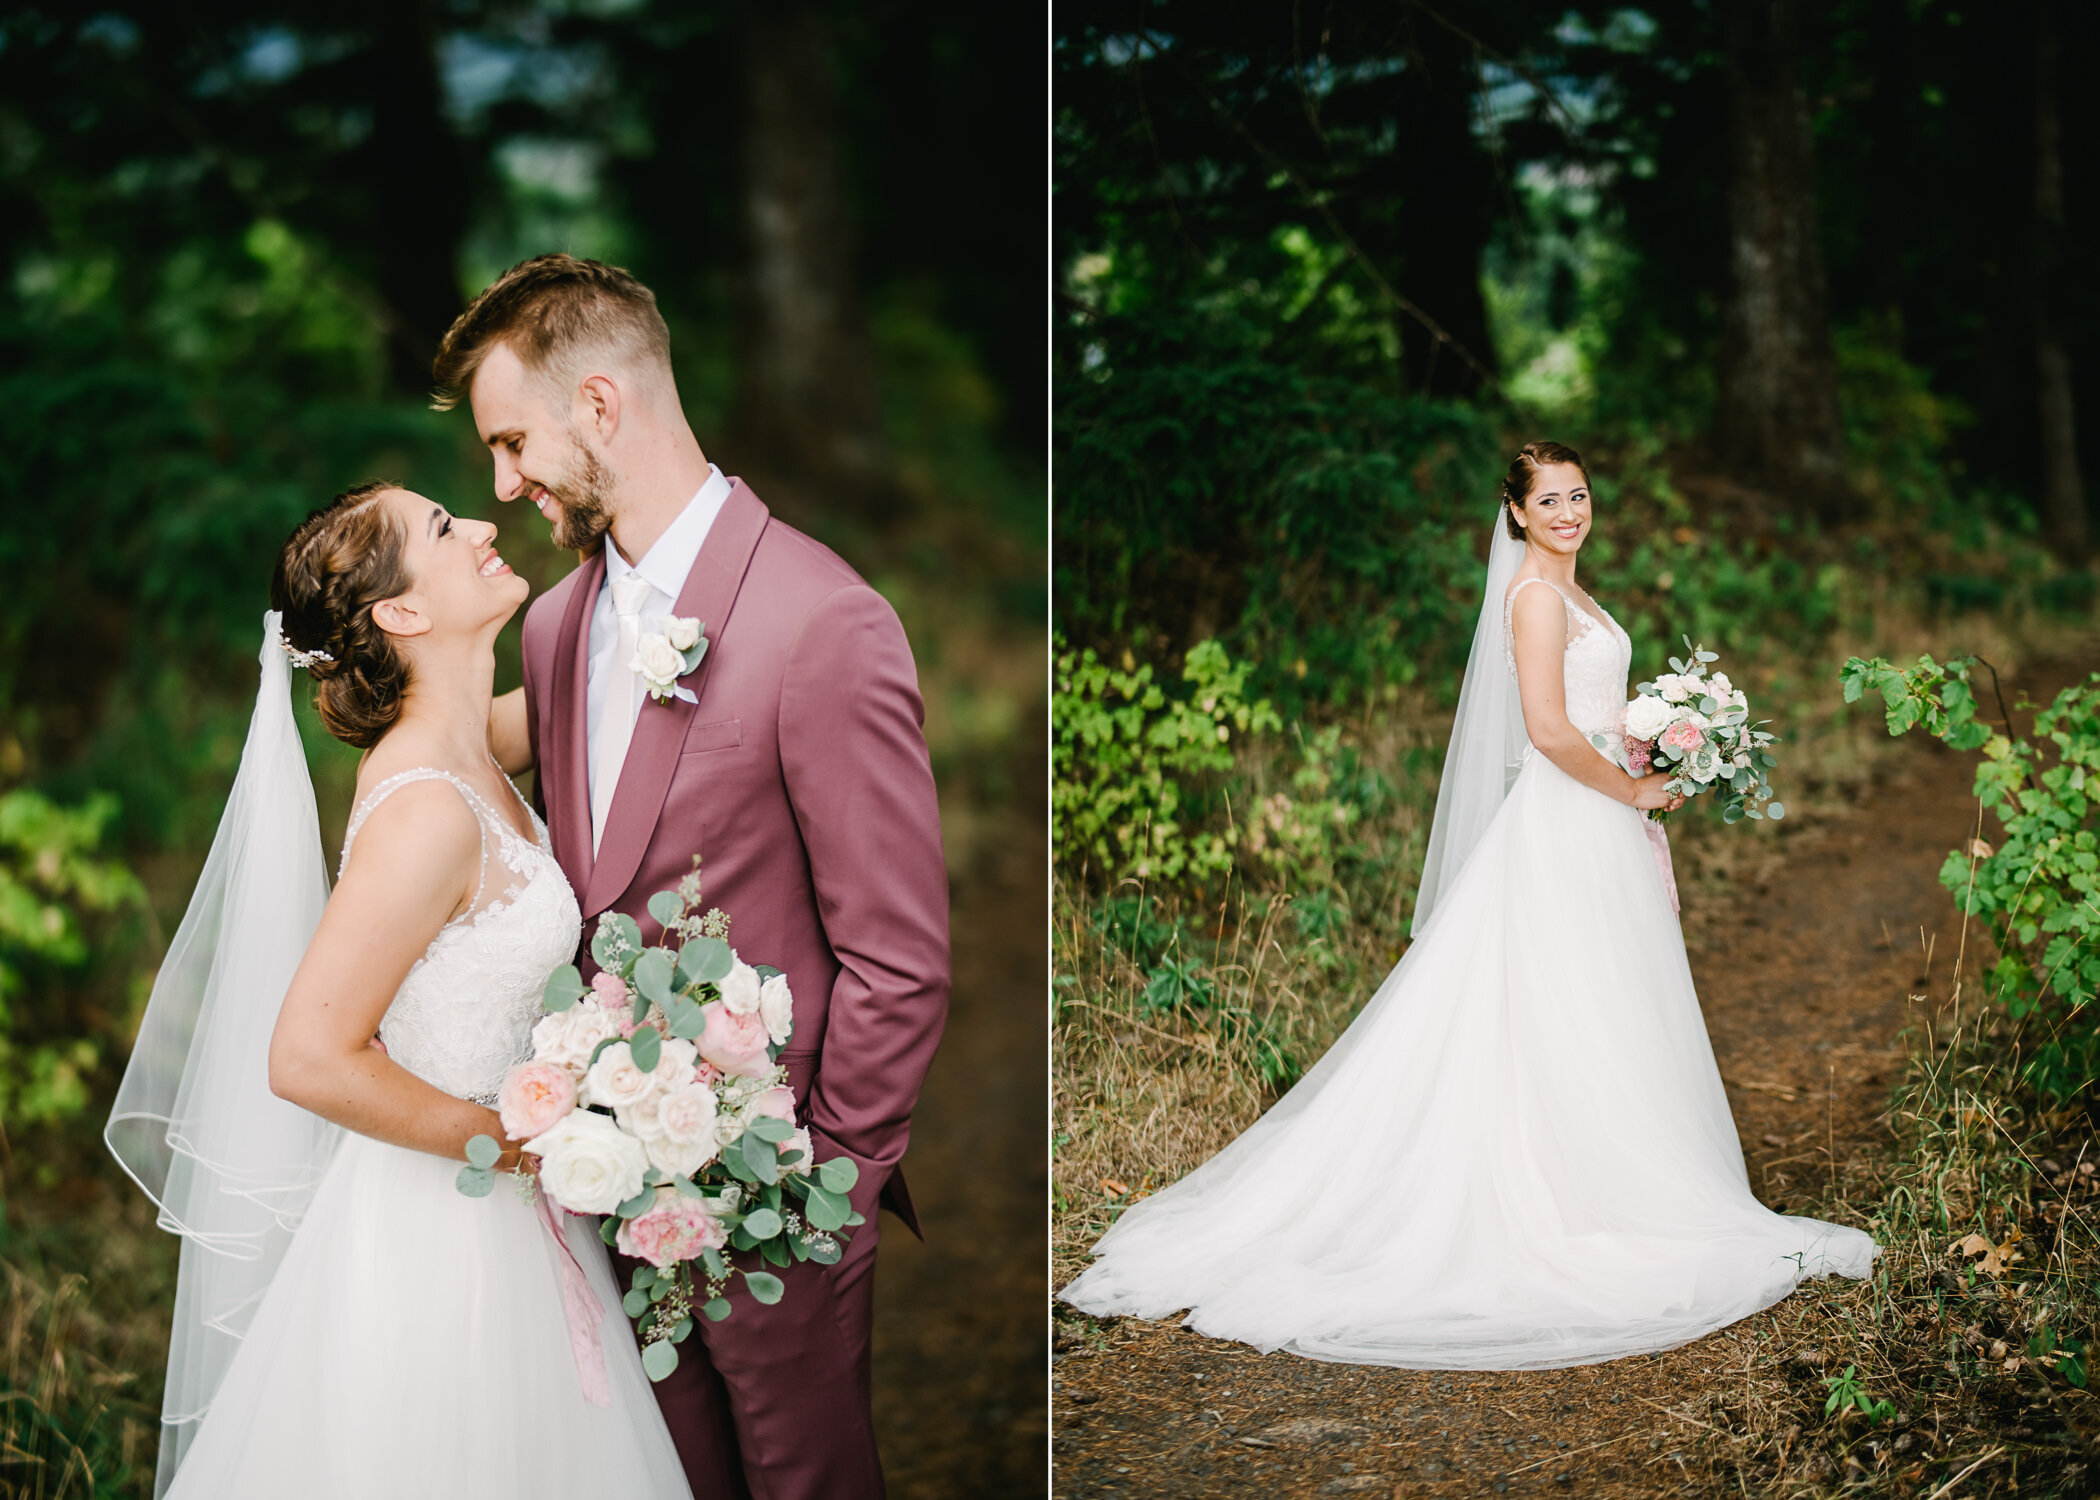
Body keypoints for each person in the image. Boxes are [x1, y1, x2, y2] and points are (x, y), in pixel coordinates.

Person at [1059, 441, 1876, 1368]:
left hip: (1597, 819)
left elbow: (1593, 715)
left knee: (1603, 1006)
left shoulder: (1577, 597)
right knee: (1554, 1000)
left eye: (1580, 496)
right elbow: (1546, 730)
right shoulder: (1532, 599)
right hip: (1566, 824)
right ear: (1517, 514)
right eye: (1550, 501)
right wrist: (1633, 788)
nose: (1569, 512)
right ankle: (1552, 1200)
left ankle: (1607, 1178)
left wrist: (1658, 747)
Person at [436, 253, 950, 1500]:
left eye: (513, 443)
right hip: (609, 1192)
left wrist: (823, 1192)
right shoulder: (556, 629)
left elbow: (898, 956)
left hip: (780, 1201)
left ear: (601, 407)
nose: (504, 486)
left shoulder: (821, 619)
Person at [107, 485, 693, 1496]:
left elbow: (591, 698)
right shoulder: (426, 808)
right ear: (401, 614)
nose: (482, 527)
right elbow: (306, 1057)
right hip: (445, 1243)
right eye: (442, 528)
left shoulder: (475, 747)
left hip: (515, 1214)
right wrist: (519, 1140)